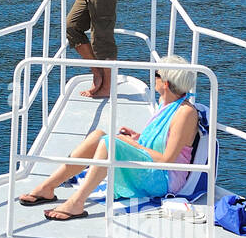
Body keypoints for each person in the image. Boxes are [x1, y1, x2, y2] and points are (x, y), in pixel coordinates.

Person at [18, 57, 199, 221]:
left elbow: (167, 160)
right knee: (98, 135)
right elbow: (161, 141)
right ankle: (48, 187)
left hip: (165, 179)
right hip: (153, 167)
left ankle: (76, 202)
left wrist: (129, 143)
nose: (153, 78)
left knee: (110, 143)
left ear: (166, 83)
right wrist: (137, 137)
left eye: (156, 74)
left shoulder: (185, 113)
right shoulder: (165, 103)